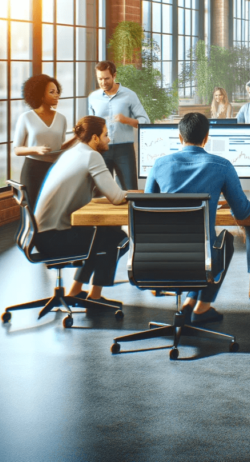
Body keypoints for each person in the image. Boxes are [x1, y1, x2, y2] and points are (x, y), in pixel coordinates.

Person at [144, 112, 250, 322]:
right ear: (206, 138)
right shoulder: (222, 165)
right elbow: (242, 212)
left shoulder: (159, 165)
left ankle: (189, 303)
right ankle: (202, 308)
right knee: (225, 241)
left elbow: (148, 208)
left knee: (199, 246)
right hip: (201, 258)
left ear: (179, 137)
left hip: (158, 257)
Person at [32, 116, 129, 306]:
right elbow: (116, 197)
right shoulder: (91, 155)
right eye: (106, 135)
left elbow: (103, 190)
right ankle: (94, 297)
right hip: (54, 238)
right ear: (94, 138)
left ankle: (77, 291)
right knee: (117, 238)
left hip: (41, 235)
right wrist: (136, 194)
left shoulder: (73, 152)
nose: (109, 139)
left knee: (107, 231)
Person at [87, 61, 150, 190]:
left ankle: (130, 211)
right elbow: (90, 125)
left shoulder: (129, 95)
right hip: (101, 149)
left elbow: (146, 122)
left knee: (129, 189)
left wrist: (126, 120)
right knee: (101, 191)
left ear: (114, 76)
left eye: (106, 78)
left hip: (124, 150)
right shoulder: (93, 97)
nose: (103, 82)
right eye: (100, 79)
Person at [13, 74, 68, 204]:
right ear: (40, 95)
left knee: (54, 209)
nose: (57, 95)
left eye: (57, 92)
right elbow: (17, 150)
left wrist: (78, 138)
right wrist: (35, 149)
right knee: (34, 209)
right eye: (51, 92)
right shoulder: (26, 118)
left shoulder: (61, 118)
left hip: (55, 169)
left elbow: (61, 147)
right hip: (33, 170)